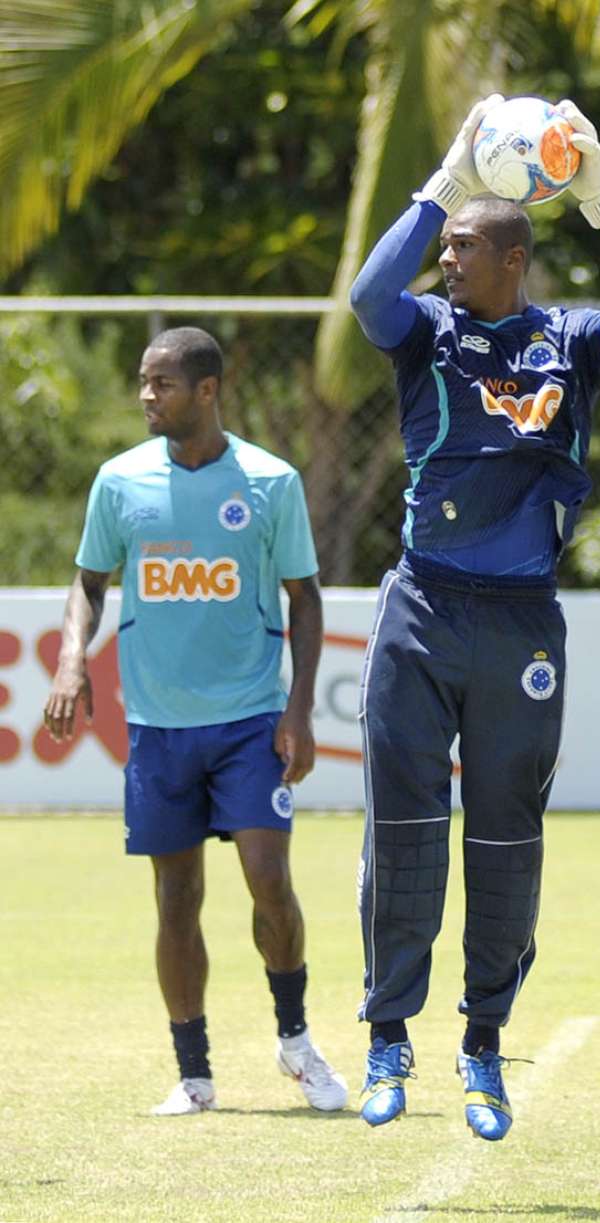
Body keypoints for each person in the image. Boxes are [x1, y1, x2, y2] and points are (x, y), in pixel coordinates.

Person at [350, 97, 600, 1140]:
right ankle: (387, 1032)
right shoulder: (426, 334)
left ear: (512, 257)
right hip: (422, 608)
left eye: (458, 246)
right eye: (444, 245)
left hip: (521, 624)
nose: (442, 260)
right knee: (403, 828)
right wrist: (444, 181)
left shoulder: (572, 342)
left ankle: (485, 1043)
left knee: (505, 838)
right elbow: (369, 297)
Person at [43, 326, 347, 1116]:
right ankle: (194, 1073)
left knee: (269, 881)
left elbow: (304, 598)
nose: (148, 395)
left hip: (249, 718)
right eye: (145, 382)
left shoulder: (271, 482)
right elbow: (87, 582)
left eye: (163, 384)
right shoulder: (119, 481)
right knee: (176, 897)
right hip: (157, 724)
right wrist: (73, 660)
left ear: (207, 390)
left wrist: (299, 709)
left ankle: (294, 1038)